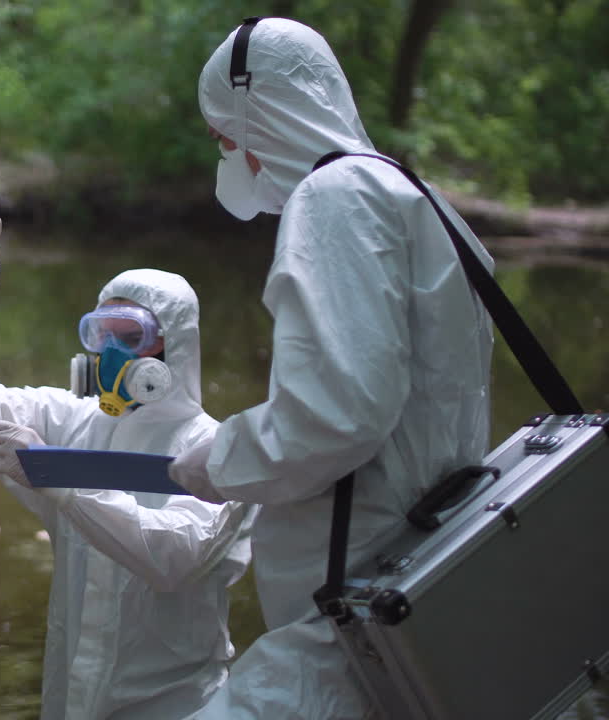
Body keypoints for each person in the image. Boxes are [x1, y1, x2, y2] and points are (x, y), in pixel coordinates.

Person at [169, 17, 494, 719]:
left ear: (262, 115)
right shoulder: (417, 197)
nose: (232, 157)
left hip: (353, 605)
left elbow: (336, 417)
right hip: (417, 578)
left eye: (228, 137)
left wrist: (214, 463)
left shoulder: (334, 199)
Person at [0, 218, 255, 719]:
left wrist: (55, 477)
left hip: (176, 706)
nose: (112, 355)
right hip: (72, 698)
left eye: (133, 337)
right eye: (102, 334)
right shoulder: (73, 421)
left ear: (174, 347)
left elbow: (175, 557)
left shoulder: (215, 448)